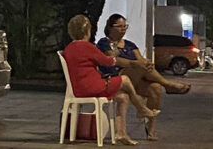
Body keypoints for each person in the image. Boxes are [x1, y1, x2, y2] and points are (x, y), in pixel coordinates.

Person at [62, 15, 159, 145]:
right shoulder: (87, 47)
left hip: (79, 88)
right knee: (125, 79)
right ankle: (141, 108)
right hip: (93, 87)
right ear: (87, 31)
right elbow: (107, 61)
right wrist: (115, 55)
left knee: (123, 97)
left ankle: (121, 133)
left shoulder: (69, 48)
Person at [97, 14, 191, 141]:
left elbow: (140, 60)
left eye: (125, 26)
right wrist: (136, 63)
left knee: (155, 88)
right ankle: (168, 84)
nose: (123, 29)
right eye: (119, 26)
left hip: (134, 80)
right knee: (139, 66)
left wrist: (146, 63)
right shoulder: (104, 43)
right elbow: (114, 61)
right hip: (116, 78)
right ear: (110, 27)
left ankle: (150, 127)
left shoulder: (130, 45)